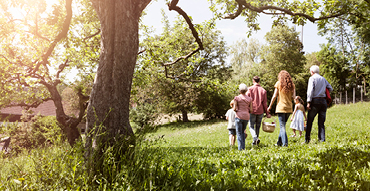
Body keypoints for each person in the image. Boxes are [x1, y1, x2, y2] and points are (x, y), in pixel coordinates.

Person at [267, 70, 296, 147]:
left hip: (281, 107)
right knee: (283, 126)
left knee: (282, 126)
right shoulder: (292, 85)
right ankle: (279, 143)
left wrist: (269, 106)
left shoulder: (278, 83)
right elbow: (294, 97)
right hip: (289, 108)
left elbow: (274, 96)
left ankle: (285, 143)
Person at [306, 65, 333, 143]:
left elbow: (310, 91)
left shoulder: (312, 78)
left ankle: (307, 140)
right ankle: (322, 139)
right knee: (321, 122)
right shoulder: (323, 79)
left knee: (310, 121)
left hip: (315, 101)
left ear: (312, 72)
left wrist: (308, 102)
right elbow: (330, 88)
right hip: (323, 102)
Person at [247, 76, 271, 145]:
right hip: (260, 111)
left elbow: (247, 100)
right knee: (258, 126)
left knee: (251, 126)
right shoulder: (263, 90)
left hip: (252, 110)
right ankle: (256, 141)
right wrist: (267, 113)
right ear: (259, 81)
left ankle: (255, 138)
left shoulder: (250, 89)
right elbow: (264, 103)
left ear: (253, 81)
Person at [233, 83, 253, 150]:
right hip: (246, 117)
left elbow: (234, 108)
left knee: (239, 133)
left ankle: (240, 149)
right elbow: (251, 110)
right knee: (242, 132)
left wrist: (237, 110)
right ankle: (243, 148)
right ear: (246, 90)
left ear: (239, 90)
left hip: (239, 116)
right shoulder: (250, 99)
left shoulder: (237, 98)